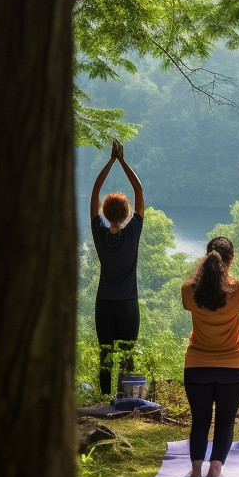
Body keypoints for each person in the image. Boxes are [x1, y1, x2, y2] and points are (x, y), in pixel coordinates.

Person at [180, 236, 239, 477]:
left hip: (197, 366)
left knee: (199, 421)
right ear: (231, 260)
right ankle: (216, 470)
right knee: (225, 422)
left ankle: (196, 469)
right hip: (232, 367)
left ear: (205, 257)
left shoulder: (189, 289)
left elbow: (191, 306)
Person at [90, 138, 145, 399]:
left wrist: (109, 162)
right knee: (127, 355)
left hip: (104, 303)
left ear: (104, 211)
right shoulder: (133, 232)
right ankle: (125, 400)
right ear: (126, 214)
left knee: (105, 355)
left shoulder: (99, 234)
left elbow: (94, 193)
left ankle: (103, 400)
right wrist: (122, 161)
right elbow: (139, 191)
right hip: (128, 304)